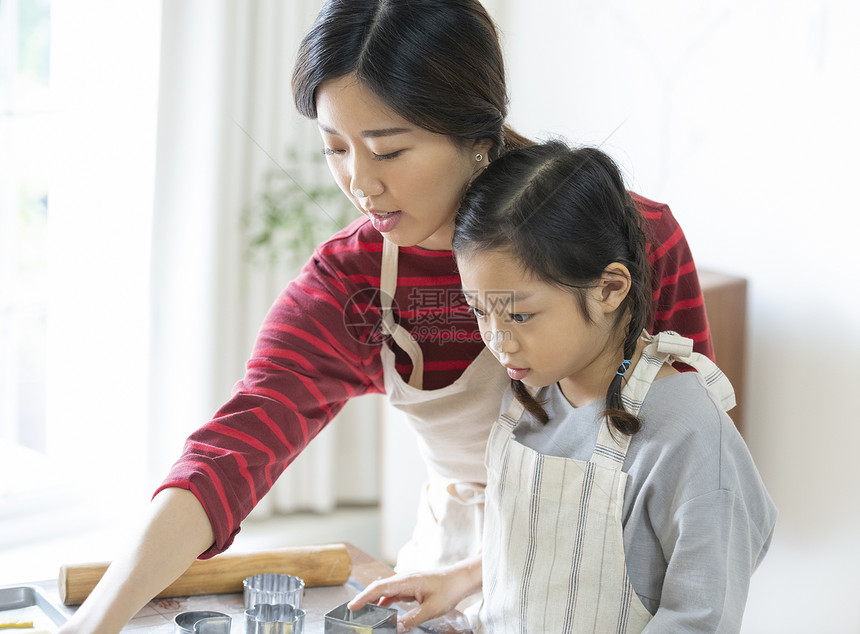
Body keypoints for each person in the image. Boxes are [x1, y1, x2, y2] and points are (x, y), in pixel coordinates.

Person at [57, 2, 715, 632]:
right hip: (441, 591)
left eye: (388, 150)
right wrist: (93, 623)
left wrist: (486, 573)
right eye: (335, 147)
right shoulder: (352, 282)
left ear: (476, 136)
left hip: (608, 583)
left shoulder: (634, 241)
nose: (359, 183)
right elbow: (229, 454)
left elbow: (686, 471)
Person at [348, 141, 777, 633]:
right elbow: (546, 563)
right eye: (479, 310)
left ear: (610, 288)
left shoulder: (689, 435)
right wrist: (459, 582)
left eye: (521, 314)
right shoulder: (537, 395)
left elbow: (702, 619)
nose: (497, 340)